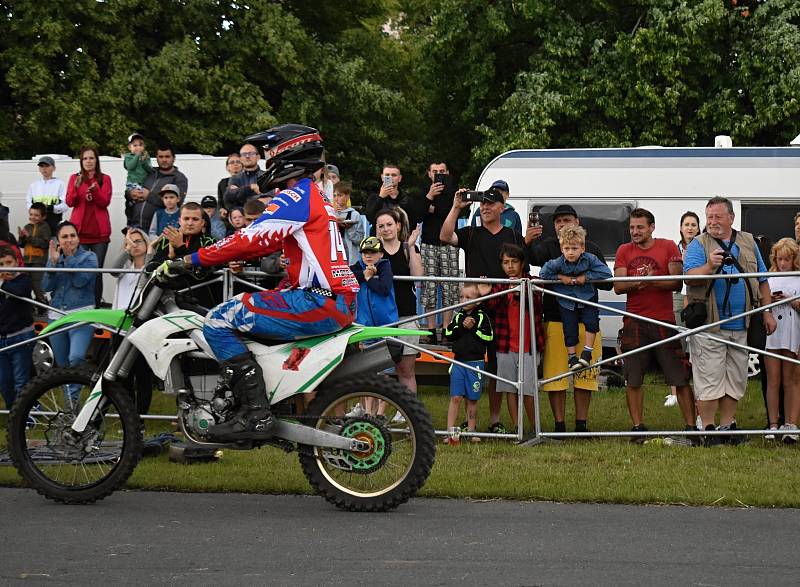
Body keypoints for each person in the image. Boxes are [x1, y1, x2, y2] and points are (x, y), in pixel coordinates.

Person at [164, 124, 359, 442]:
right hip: (329, 300)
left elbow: (248, 240)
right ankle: (254, 401)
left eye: (271, 154)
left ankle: (256, 414)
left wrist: (192, 259)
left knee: (217, 320)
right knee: (245, 311)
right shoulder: (314, 196)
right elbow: (269, 244)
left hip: (318, 301)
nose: (268, 162)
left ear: (288, 155)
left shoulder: (296, 196)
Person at [684, 196, 777, 444]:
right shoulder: (698, 244)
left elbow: (763, 279)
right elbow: (690, 278)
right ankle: (709, 430)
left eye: (718, 216)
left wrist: (767, 312)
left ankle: (727, 428)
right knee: (709, 378)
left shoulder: (748, 241)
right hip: (709, 325)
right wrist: (708, 266)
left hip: (742, 323)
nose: (712, 221)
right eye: (709, 217)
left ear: (731, 218)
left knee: (735, 379)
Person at [441, 187, 525, 434]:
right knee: (470, 363)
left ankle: (495, 419)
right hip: (474, 309)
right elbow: (445, 237)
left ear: (502, 207)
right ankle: (469, 420)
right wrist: (457, 207)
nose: (486, 208)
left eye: (490, 204)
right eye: (483, 205)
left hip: (503, 307)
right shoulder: (472, 233)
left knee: (498, 367)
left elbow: (522, 267)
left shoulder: (512, 234)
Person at [525, 204, 610, 433]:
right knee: (555, 376)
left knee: (586, 373)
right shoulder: (549, 247)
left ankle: (581, 425)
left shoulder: (590, 248)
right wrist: (528, 239)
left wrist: (584, 277)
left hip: (588, 317)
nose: (563, 224)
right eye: (558, 221)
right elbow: (532, 259)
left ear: (577, 221)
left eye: (567, 219)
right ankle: (559, 425)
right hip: (555, 318)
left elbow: (607, 280)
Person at [614, 208, 696, 441]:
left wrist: (650, 280)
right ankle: (638, 428)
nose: (635, 232)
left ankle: (691, 428)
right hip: (634, 320)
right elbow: (618, 286)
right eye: (631, 227)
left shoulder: (668, 246)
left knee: (679, 376)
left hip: (663, 320)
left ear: (652, 227)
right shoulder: (623, 250)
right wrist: (638, 282)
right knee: (634, 378)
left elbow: (676, 282)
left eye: (640, 227)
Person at [477, 243, 544, 433]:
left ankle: (534, 428)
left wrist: (519, 292)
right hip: (505, 347)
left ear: (522, 263)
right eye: (506, 263)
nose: (511, 266)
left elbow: (538, 305)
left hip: (529, 346)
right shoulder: (500, 285)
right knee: (510, 388)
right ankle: (518, 427)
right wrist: (485, 294)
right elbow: (491, 306)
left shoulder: (533, 282)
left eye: (514, 261)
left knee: (528, 390)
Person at [539, 225, 612, 370]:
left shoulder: (590, 259)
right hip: (566, 301)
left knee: (592, 323)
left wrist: (586, 277)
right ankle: (572, 358)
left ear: (582, 248)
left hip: (587, 297)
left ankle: (587, 353)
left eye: (574, 248)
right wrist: (560, 277)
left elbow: (606, 274)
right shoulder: (557, 262)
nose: (570, 252)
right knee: (569, 328)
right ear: (561, 249)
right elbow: (543, 273)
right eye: (567, 249)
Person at [43, 222, 97, 409]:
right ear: (58, 240)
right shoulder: (55, 257)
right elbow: (46, 287)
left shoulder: (90, 257)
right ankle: (71, 408)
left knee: (76, 357)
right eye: (64, 237)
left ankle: (76, 402)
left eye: (72, 235)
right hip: (56, 315)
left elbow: (82, 281)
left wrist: (69, 258)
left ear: (78, 237)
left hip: (81, 314)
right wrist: (53, 263)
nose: (69, 240)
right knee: (64, 366)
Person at [376, 209, 423, 402]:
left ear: (398, 226)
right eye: (381, 226)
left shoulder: (408, 247)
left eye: (389, 224)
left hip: (406, 316)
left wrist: (411, 247)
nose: (386, 229)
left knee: (405, 370)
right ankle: (374, 414)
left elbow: (418, 278)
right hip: (381, 319)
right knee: (378, 371)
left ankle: (409, 413)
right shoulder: (373, 250)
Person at [443, 284, 493, 444]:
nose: (464, 300)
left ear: (478, 301)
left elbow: (489, 337)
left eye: (468, 297)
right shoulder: (458, 317)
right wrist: (461, 327)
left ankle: (472, 431)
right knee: (456, 397)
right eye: (461, 297)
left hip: (476, 363)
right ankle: (451, 432)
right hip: (458, 362)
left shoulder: (482, 317)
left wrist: (473, 328)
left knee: (472, 399)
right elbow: (448, 334)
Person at [110, 228, 153, 414]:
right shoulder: (124, 270)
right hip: (121, 328)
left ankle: (141, 417)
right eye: (131, 242)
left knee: (142, 375)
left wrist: (151, 251)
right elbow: (112, 270)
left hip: (142, 328)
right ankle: (128, 416)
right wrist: (127, 248)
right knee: (122, 376)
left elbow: (149, 276)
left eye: (139, 241)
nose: (135, 245)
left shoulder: (150, 267)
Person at [65, 146, 112, 307]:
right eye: (85, 158)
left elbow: (104, 202)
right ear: (81, 161)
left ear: (96, 160)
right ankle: (80, 305)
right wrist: (76, 187)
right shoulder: (74, 178)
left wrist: (96, 190)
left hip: (100, 234)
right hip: (80, 233)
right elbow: (70, 202)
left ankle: (96, 305)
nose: (88, 161)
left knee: (96, 272)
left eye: (91, 158)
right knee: (80, 271)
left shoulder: (105, 178)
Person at [763, 238, 800, 442]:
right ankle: (773, 423)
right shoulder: (769, 277)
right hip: (773, 331)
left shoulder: (798, 277)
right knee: (773, 379)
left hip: (793, 330)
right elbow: (762, 304)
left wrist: (790, 300)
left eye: (787, 259)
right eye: (780, 259)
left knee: (791, 379)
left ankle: (791, 424)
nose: (783, 263)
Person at [419, 162, 459, 345]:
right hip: (428, 243)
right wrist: (429, 198)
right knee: (429, 288)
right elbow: (417, 213)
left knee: (450, 288)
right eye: (435, 172)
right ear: (429, 174)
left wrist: (433, 209)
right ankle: (430, 331)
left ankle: (446, 330)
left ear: (448, 172)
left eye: (442, 171)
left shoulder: (454, 191)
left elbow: (448, 212)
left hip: (449, 243)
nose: (439, 175)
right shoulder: (423, 191)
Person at [665, 211, 701, 407]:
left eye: (693, 224)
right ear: (680, 228)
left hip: (697, 299)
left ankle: (698, 389)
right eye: (686, 224)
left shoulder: (704, 246)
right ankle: (674, 392)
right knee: (676, 344)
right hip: (678, 297)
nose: (689, 228)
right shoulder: (674, 249)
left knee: (696, 345)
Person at [0, 245, 35, 409]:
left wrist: (2, 283)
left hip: (21, 337)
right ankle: (13, 415)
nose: (6, 267)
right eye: (2, 264)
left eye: (9, 262)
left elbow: (19, 292)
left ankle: (24, 418)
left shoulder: (24, 280)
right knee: (4, 381)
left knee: (21, 380)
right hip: (2, 339)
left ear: (16, 263)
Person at [127, 145, 188, 231]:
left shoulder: (179, 178)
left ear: (174, 158)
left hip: (158, 230)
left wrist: (149, 195)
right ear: (156, 158)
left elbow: (177, 203)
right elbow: (130, 188)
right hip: (135, 227)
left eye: (167, 156)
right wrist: (130, 193)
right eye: (160, 157)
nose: (164, 160)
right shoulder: (148, 173)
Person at [365, 164, 419, 236]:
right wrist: (380, 198)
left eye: (394, 175)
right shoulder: (374, 197)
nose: (390, 178)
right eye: (387, 175)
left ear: (399, 178)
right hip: (379, 240)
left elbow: (413, 222)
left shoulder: (408, 199)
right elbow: (370, 218)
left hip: (401, 240)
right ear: (382, 177)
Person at [17, 202, 51, 308]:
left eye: (36, 215)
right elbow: (21, 245)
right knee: (26, 284)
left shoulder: (45, 227)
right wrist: (22, 237)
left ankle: (43, 305)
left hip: (39, 261)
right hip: (27, 261)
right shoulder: (27, 226)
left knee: (37, 285)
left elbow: (45, 244)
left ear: (43, 216)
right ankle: (29, 307)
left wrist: (29, 237)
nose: (33, 217)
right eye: (31, 214)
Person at [26, 155, 68, 233]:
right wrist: (36, 212)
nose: (44, 168)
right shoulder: (33, 185)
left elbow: (65, 206)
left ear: (54, 168)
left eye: (47, 166)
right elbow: (28, 204)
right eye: (41, 166)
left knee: (53, 244)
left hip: (54, 227)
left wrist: (49, 208)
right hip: (37, 228)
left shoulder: (60, 184)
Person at [223, 143, 265, 209]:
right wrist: (251, 187)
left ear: (258, 157)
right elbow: (229, 196)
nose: (247, 156)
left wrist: (240, 192)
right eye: (244, 154)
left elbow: (270, 196)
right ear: (241, 158)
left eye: (251, 153)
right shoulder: (235, 178)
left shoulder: (265, 176)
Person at [333, 181, 364, 264]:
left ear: (347, 197)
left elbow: (360, 240)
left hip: (351, 259)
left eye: (339, 195)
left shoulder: (354, 214)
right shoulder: (330, 213)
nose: (336, 198)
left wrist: (350, 229)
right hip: (333, 257)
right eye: (334, 195)